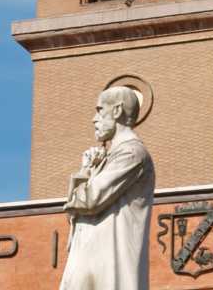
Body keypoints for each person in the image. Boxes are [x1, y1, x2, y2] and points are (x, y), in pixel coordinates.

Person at [59, 86, 156, 290]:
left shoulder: (131, 154)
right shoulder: (109, 159)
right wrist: (88, 169)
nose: (94, 119)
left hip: (109, 270)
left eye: (100, 110)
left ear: (117, 111)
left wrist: (85, 173)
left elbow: (89, 200)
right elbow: (74, 212)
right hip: (92, 266)